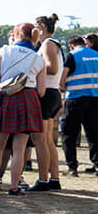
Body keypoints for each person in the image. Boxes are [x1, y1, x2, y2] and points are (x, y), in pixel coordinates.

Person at [0, 24, 46, 196]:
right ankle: (14, 187)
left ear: (16, 34)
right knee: (19, 149)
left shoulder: (4, 51)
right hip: (28, 99)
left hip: (5, 97)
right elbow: (41, 91)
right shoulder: (38, 59)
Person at [32, 14, 64, 191]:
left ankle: (43, 180)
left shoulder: (47, 44)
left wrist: (32, 69)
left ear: (42, 27)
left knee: (42, 140)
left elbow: (52, 68)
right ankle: (53, 179)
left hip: (47, 94)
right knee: (48, 141)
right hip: (52, 93)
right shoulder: (52, 43)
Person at [61, 36, 98, 175]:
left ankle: (72, 167)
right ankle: (97, 164)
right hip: (95, 98)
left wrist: (62, 88)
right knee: (94, 133)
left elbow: (63, 78)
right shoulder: (96, 55)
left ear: (71, 45)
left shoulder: (72, 55)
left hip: (75, 99)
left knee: (69, 133)